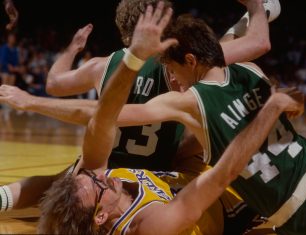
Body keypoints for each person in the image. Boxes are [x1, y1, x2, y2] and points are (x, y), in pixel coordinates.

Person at [69, 13, 306, 234]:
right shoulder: (251, 71)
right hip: (299, 206)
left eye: (173, 70)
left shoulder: (193, 100)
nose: (173, 79)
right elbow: (292, 99)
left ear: (190, 61)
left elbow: (106, 115)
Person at [0, 0, 278, 215]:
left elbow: (54, 83)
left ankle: (3, 198)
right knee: (198, 139)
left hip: (103, 173)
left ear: (123, 28)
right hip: (157, 174)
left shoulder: (101, 65)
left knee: (59, 182)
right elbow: (258, 43)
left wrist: (72, 50)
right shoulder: (174, 60)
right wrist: (256, 8)